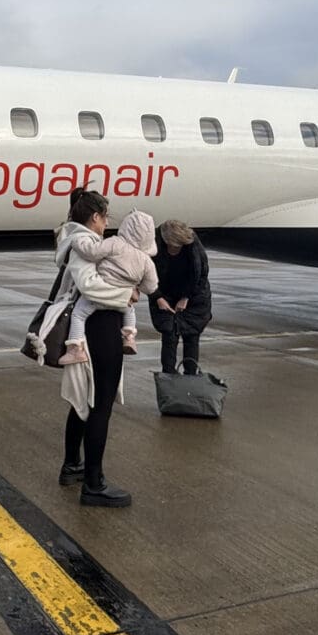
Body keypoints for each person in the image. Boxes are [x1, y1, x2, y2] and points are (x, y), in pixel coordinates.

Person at [53, 188, 133, 507]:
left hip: (91, 330)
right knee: (101, 406)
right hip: (99, 330)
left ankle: (73, 465)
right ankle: (94, 483)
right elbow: (88, 285)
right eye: (105, 217)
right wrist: (125, 294)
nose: (107, 223)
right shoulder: (85, 243)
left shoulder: (74, 240)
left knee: (84, 403)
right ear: (96, 217)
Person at [57, 210, 158, 365]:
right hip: (123, 301)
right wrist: (136, 287)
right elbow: (150, 287)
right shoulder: (147, 261)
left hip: (102, 294)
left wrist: (77, 243)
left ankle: (76, 349)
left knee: (78, 314)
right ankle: (129, 337)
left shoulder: (115, 243)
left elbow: (92, 252)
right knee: (130, 310)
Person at [150, 219, 212, 375]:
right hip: (164, 292)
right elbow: (147, 275)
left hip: (194, 295)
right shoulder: (155, 245)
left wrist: (186, 298)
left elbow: (201, 274)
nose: (175, 249)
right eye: (172, 245)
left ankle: (190, 375)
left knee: (191, 335)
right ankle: (168, 376)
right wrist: (158, 297)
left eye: (178, 246)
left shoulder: (193, 247)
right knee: (169, 335)